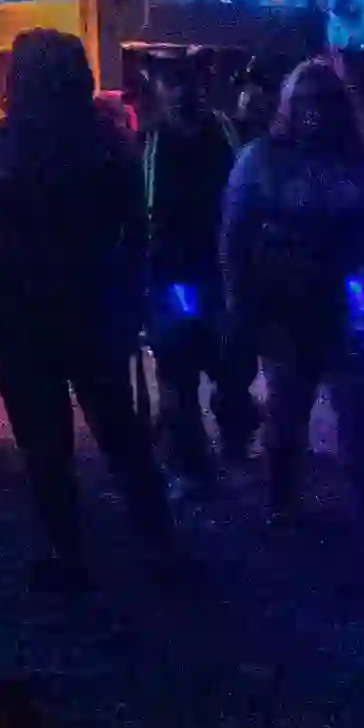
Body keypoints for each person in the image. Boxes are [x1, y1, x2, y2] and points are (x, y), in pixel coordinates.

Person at [0, 30, 177, 588]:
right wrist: (133, 294)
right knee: (118, 427)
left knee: (44, 438)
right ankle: (157, 541)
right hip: (92, 295)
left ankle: (67, 551)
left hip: (20, 300)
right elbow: (138, 225)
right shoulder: (106, 138)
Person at [222, 57, 364, 526]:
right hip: (286, 303)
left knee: (357, 415)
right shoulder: (262, 159)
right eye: (304, 101)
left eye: (323, 101)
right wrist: (239, 300)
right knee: (286, 413)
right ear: (288, 105)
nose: (314, 111)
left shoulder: (359, 161)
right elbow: (235, 232)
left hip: (344, 305)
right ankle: (282, 506)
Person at [140, 64, 254, 482]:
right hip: (172, 273)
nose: (181, 92)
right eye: (172, 82)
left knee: (232, 368)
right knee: (178, 375)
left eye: (187, 81)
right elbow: (142, 211)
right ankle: (191, 465)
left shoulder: (226, 132)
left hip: (222, 269)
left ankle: (236, 441)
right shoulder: (150, 140)